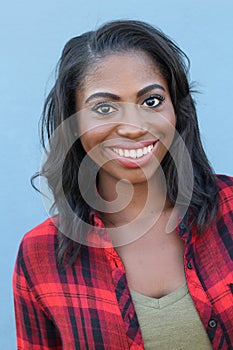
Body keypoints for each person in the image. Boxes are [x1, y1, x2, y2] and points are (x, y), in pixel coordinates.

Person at [13, 20, 233, 350]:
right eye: (104, 108)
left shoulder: (229, 208)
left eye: (151, 102)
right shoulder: (39, 255)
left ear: (177, 109)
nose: (132, 127)